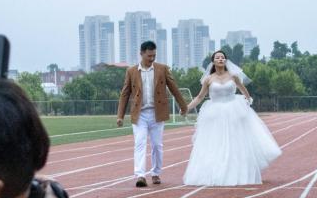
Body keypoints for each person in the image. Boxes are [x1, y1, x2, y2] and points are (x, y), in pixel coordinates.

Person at [183, 50, 282, 186]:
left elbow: (243, 89)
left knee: (236, 141)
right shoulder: (208, 79)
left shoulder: (233, 76)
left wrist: (248, 100)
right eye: (217, 58)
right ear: (213, 61)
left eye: (222, 57)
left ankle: (238, 172)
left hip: (234, 110)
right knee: (216, 143)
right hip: (215, 113)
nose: (220, 59)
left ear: (225, 60)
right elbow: (200, 97)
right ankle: (216, 172)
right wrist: (187, 108)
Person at [116, 40, 188, 187]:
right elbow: (125, 94)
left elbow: (174, 88)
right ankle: (140, 175)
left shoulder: (162, 69)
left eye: (154, 55)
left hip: (157, 113)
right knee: (140, 143)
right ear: (141, 54)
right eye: (149, 56)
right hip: (139, 114)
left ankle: (155, 173)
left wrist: (183, 106)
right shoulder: (131, 71)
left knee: (157, 145)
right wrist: (120, 116)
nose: (152, 58)